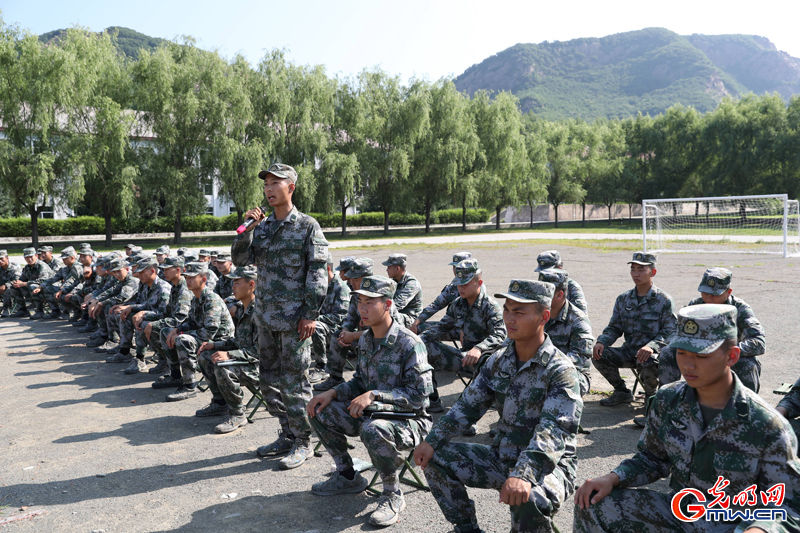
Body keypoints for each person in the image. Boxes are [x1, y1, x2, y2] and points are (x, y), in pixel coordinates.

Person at [574, 304, 800, 533]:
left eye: (702, 355)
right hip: (681, 514)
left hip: (732, 524)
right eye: (682, 352)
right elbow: (652, 458)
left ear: (731, 356)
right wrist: (613, 478)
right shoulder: (668, 399)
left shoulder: (767, 425)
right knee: (593, 503)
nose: (688, 365)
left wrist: (760, 529)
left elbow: (788, 506)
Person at [414, 280, 583, 533]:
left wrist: (524, 474)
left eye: (519, 312)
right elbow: (467, 407)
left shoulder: (561, 370)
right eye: (507, 310)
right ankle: (466, 528)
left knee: (530, 499)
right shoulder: (499, 360)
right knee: (435, 457)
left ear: (544, 316)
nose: (509, 319)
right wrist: (432, 440)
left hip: (550, 466)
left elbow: (554, 432)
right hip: (503, 455)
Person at [308, 275, 433, 528]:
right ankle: (347, 475)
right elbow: (359, 382)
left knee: (373, 429)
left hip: (410, 420)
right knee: (318, 409)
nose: (361, 309)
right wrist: (332, 393)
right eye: (359, 302)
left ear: (387, 305)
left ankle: (391, 494)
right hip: (371, 413)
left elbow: (418, 397)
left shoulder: (410, 343)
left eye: (369, 303)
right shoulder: (365, 339)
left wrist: (375, 395)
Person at [231, 163, 329, 470]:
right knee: (268, 382)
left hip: (295, 322)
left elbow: (318, 273)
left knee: (295, 384)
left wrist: (310, 314)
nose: (269, 189)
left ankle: (303, 441)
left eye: (276, 183)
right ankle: (287, 434)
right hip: (266, 319)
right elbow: (240, 259)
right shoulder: (263, 227)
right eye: (266, 184)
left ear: (291, 188)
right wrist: (247, 227)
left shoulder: (308, 226)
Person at [420, 258, 506, 414]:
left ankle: (479, 411)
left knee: (487, 361)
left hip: (487, 361)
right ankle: (432, 400)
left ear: (479, 283)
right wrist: (416, 341)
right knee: (422, 346)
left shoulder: (490, 306)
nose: (460, 287)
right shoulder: (458, 304)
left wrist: (479, 348)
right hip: (465, 358)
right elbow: (441, 327)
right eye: (458, 283)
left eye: (465, 283)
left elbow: (501, 334)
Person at [659, 267, 766, 392]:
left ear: (728, 292)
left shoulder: (740, 309)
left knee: (747, 364)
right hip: (696, 352)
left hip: (725, 356)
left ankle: (745, 407)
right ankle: (668, 399)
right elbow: (676, 333)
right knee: (667, 352)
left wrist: (723, 352)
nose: (708, 298)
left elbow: (759, 342)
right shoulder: (696, 305)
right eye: (705, 293)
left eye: (714, 295)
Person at [593, 251, 676, 408]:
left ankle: (651, 400)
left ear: (653, 272)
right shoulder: (623, 299)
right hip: (630, 352)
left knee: (648, 359)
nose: (636, 274)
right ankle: (622, 392)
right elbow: (615, 327)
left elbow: (670, 331)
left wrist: (652, 347)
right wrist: (602, 341)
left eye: (641, 269)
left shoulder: (663, 300)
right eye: (633, 269)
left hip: (653, 356)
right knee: (598, 354)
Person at [195, 265, 260, 434]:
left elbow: (260, 351)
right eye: (233, 283)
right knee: (206, 355)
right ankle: (220, 403)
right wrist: (215, 345)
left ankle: (238, 414)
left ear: (251, 285)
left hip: (263, 366)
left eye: (237, 283)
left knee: (223, 366)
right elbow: (239, 341)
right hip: (247, 359)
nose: (233, 287)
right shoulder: (243, 308)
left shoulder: (260, 312)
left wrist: (229, 354)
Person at [160, 262, 235, 402]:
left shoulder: (211, 299)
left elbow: (210, 331)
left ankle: (190, 386)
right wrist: (177, 329)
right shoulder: (196, 298)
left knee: (183, 340)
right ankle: (176, 376)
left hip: (220, 341)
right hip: (207, 338)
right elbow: (192, 321)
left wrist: (181, 334)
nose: (188, 281)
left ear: (204, 279)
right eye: (186, 277)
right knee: (166, 331)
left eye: (192, 278)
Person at [312, 257, 373, 392]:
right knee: (338, 335)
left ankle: (368, 383)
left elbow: (382, 333)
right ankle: (335, 378)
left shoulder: (379, 297)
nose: (350, 282)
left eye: (355, 279)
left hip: (380, 342)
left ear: (365, 279)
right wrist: (345, 332)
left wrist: (353, 335)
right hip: (361, 337)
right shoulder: (357, 296)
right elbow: (350, 318)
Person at [110, 257, 172, 374]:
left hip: (163, 321)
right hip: (147, 315)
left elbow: (164, 313)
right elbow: (141, 302)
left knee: (141, 322)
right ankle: (124, 351)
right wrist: (129, 307)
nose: (139, 275)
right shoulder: (144, 284)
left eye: (142, 272)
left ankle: (142, 358)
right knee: (124, 314)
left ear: (153, 271)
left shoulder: (163, 289)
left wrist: (143, 313)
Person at [539, 268, 594, 396]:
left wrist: (545, 364)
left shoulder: (579, 321)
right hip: (539, 369)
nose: (540, 297)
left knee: (555, 386)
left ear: (560, 295)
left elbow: (579, 358)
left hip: (572, 373)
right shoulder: (536, 314)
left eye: (545, 292)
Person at [148, 256, 194, 385]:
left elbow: (181, 317)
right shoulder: (175, 286)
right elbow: (166, 313)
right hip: (181, 324)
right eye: (163, 269)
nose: (164, 272)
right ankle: (171, 369)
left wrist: (154, 324)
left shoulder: (184, 288)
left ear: (178, 270)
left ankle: (181, 378)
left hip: (189, 326)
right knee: (150, 325)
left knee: (159, 329)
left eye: (167, 269)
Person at [308, 254, 351, 385]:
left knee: (315, 327)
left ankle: (322, 367)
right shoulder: (318, 286)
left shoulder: (341, 287)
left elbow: (341, 316)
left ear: (327, 269)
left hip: (338, 327)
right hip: (323, 322)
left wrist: (313, 319)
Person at [410, 251, 472, 334]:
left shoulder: (475, 286)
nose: (456, 270)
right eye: (454, 267)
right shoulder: (453, 287)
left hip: (472, 329)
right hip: (454, 326)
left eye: (459, 267)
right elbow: (436, 305)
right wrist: (417, 321)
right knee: (420, 329)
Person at [85, 257, 139, 350]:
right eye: (114, 272)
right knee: (107, 306)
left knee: (110, 308)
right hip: (131, 306)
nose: (116, 274)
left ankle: (123, 343)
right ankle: (111, 338)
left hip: (137, 307)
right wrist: (96, 300)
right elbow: (111, 291)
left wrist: (101, 303)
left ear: (126, 269)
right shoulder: (123, 280)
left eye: (119, 271)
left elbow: (121, 298)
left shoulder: (132, 280)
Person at [9, 247, 54, 319]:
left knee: (33, 286)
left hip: (47, 288)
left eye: (31, 257)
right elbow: (22, 279)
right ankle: (22, 310)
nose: (29, 259)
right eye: (27, 257)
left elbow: (43, 280)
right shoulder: (27, 267)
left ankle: (39, 311)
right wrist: (17, 282)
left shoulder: (41, 266)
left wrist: (24, 283)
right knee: (14, 287)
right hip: (33, 288)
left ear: (36, 256)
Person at [41, 246, 83, 319]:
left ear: (72, 258)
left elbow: (73, 282)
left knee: (64, 295)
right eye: (63, 259)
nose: (63, 260)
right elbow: (53, 278)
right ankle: (56, 311)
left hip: (78, 289)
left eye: (65, 258)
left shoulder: (78, 267)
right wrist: (41, 286)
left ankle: (75, 313)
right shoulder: (65, 269)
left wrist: (62, 290)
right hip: (67, 289)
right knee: (47, 288)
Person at [383, 253, 423, 328]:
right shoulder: (393, 281)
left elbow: (398, 304)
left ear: (397, 268)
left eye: (389, 267)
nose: (387, 270)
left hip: (412, 319)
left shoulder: (411, 283)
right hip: (399, 315)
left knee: (384, 317)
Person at [0, 249, 22, 317]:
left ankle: (7, 308)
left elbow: (17, 280)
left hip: (16, 288)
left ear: (7, 258)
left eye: (1, 258)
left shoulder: (15, 267)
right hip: (1, 288)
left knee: (8, 288)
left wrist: (5, 285)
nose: (0, 261)